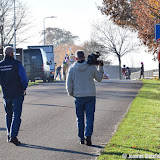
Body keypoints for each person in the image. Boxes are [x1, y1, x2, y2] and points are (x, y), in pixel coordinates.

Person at [66, 50, 104, 146]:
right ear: (84, 57)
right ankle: (88, 136)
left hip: (78, 96)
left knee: (80, 118)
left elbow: (69, 83)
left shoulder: (72, 69)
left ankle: (81, 138)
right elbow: (99, 79)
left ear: (75, 58)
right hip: (90, 95)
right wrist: (100, 67)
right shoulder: (91, 67)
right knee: (90, 117)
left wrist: (71, 93)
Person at [0, 46, 28, 145]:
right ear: (12, 54)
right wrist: (24, 87)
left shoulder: (0, 65)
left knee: (8, 115)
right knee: (16, 115)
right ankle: (13, 136)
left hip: (6, 94)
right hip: (17, 93)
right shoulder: (17, 64)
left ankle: (9, 135)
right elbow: (24, 79)